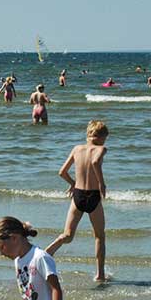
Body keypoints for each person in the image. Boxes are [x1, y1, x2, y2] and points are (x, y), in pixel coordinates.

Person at [46, 120, 109, 281]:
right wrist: (102, 183)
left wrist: (73, 183)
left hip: (78, 195)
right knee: (99, 237)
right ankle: (100, 274)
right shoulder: (101, 149)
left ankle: (49, 251)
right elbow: (95, 162)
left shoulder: (77, 149)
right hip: (93, 195)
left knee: (67, 235)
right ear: (102, 137)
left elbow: (62, 172)